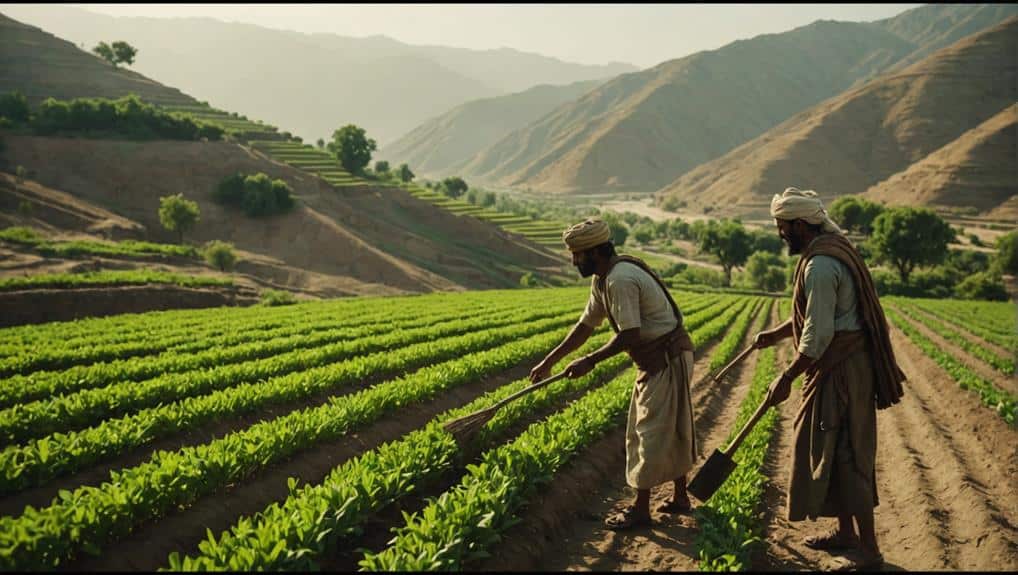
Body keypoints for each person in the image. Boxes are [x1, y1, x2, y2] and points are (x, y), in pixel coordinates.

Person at [753, 187, 905, 571]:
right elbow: (821, 318)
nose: (780, 234)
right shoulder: (831, 249)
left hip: (842, 369)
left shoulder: (820, 266)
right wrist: (775, 335)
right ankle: (846, 534)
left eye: (782, 227)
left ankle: (869, 551)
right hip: (842, 363)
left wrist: (786, 377)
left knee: (847, 452)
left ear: (800, 225)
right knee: (835, 446)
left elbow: (818, 336)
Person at [529, 217, 697, 530]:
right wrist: (550, 360)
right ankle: (680, 497)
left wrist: (589, 361)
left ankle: (641, 509)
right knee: (666, 425)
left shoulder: (620, 279)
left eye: (578, 254)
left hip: (666, 357)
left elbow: (630, 334)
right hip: (656, 359)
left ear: (595, 252)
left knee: (647, 431)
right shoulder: (602, 279)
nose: (574, 260)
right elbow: (584, 327)